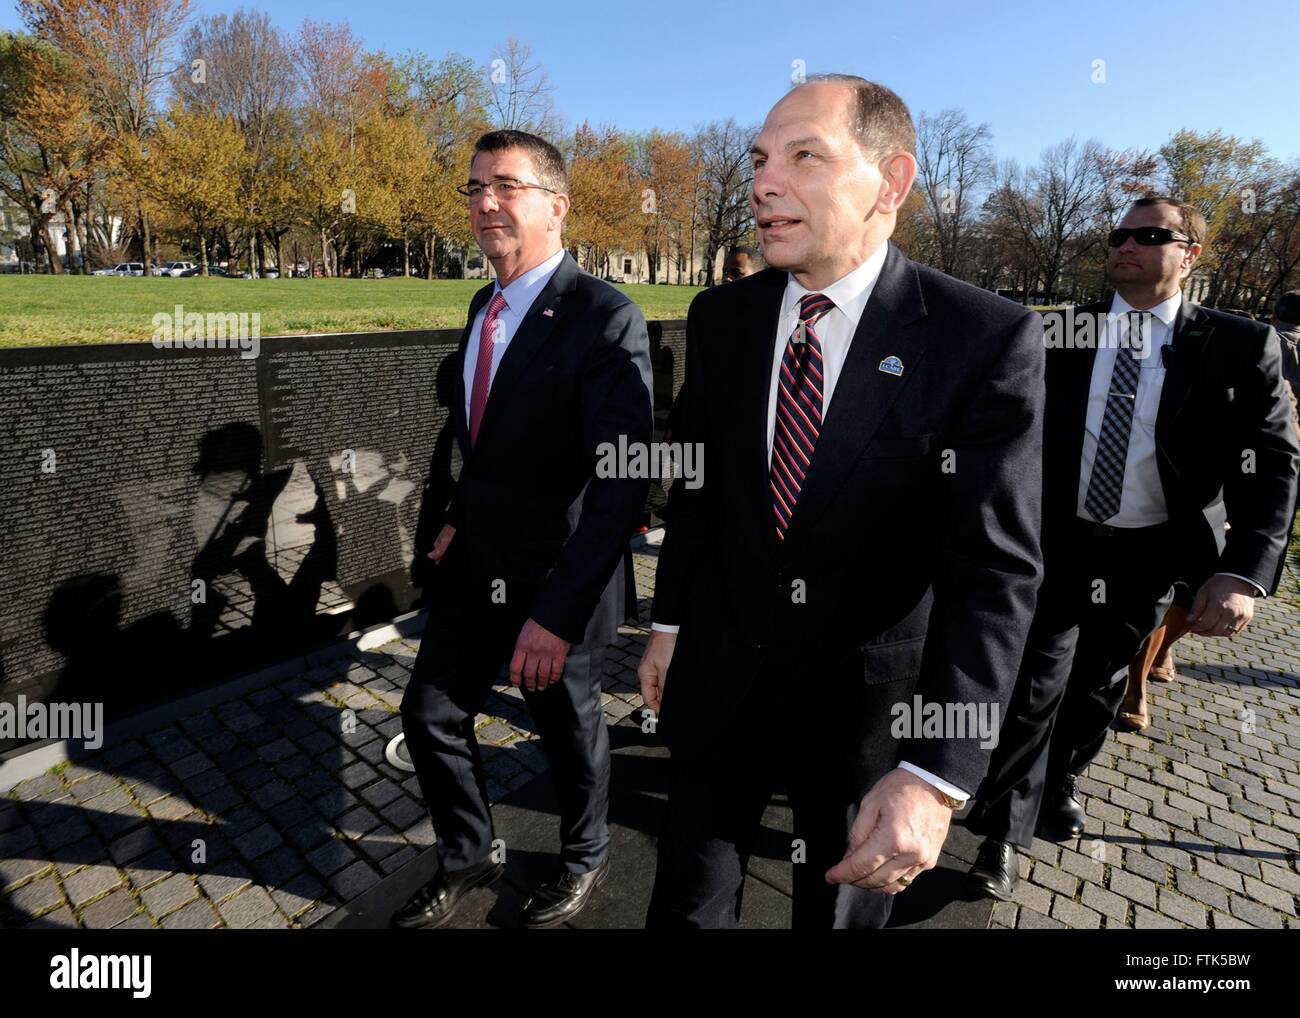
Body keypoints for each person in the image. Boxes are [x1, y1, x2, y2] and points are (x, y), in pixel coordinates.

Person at [636, 74, 1045, 928]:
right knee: (684, 901)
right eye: (758, 160)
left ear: (890, 183)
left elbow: (994, 570)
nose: (761, 183)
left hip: (867, 714)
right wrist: (668, 626)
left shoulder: (984, 337)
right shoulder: (722, 320)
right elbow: (700, 496)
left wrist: (935, 773)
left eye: (803, 156)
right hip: (719, 682)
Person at [967, 196, 1300, 900]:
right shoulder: (1058, 333)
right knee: (1034, 683)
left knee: (1099, 689)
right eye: (1120, 235)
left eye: (1150, 236)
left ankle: (1059, 780)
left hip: (1152, 551)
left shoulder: (1240, 345)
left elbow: (1274, 462)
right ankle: (1001, 833)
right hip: (1055, 542)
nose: (1127, 246)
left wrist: (1243, 570)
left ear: (1191, 254)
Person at [393, 130, 653, 929]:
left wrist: (559, 612)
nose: (485, 204)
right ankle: (468, 853)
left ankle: (584, 855)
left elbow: (621, 484)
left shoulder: (606, 317)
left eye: (505, 186)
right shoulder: (483, 305)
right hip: (475, 566)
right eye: (473, 188)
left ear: (556, 205)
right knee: (429, 714)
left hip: (556, 586)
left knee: (569, 735)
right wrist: (456, 524)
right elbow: (485, 443)